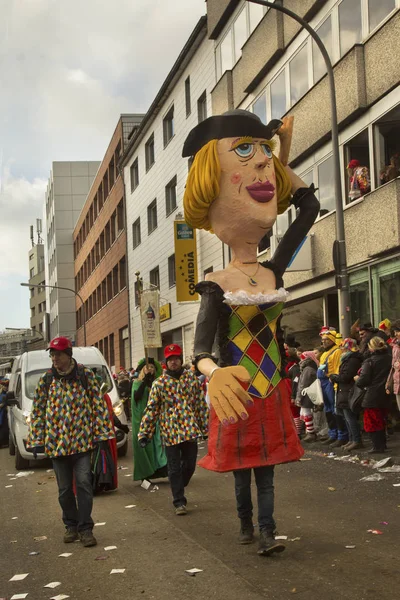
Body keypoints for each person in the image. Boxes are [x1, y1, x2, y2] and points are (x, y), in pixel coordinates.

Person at [183, 110, 320, 555]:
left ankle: (266, 531)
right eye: (245, 151)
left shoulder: (273, 269)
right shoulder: (216, 283)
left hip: (272, 388)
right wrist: (212, 372)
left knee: (267, 472)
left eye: (259, 152)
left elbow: (309, 208)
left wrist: (276, 160)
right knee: (243, 472)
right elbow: (199, 348)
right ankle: (247, 523)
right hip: (238, 392)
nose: (258, 162)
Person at [26, 337, 115, 547]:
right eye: (52, 354)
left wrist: (102, 435)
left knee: (84, 484)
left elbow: (98, 406)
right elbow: (37, 411)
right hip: (57, 446)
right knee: (64, 490)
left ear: (68, 355)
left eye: (58, 354)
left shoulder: (85, 375)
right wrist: (37, 439)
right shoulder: (47, 380)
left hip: (82, 444)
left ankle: (86, 528)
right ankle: (71, 525)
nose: (54, 358)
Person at [138, 344, 208, 515]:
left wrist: (205, 428)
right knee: (174, 468)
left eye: (176, 358)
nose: (174, 362)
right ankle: (179, 501)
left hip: (189, 431)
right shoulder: (159, 383)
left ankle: (179, 484)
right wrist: (144, 433)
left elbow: (200, 405)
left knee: (190, 465)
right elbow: (152, 409)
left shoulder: (191, 379)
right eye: (170, 360)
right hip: (169, 433)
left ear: (180, 360)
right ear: (166, 363)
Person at [131, 357, 168, 483]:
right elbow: (136, 397)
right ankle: (145, 475)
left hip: (156, 418)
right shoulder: (137, 383)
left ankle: (161, 469)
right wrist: (144, 383)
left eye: (152, 367)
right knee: (145, 448)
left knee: (158, 444)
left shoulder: (157, 383)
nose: (150, 369)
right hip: (142, 419)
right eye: (148, 367)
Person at [355, 336, 392, 453]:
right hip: (386, 393)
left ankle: (377, 446)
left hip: (372, 395)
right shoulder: (389, 358)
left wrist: (357, 379)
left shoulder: (370, 361)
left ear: (371, 348)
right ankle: (382, 444)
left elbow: (363, 380)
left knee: (371, 421)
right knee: (382, 419)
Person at [329, 339, 363, 451]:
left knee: (350, 417)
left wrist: (334, 377)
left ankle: (356, 440)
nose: (341, 349)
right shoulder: (348, 359)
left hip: (348, 391)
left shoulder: (352, 360)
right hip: (344, 391)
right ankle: (352, 439)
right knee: (347, 417)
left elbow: (345, 377)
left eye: (343, 347)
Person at [318, 331, 348, 446]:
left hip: (330, 383)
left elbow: (336, 368)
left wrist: (333, 380)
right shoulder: (325, 352)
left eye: (326, 339)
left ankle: (342, 435)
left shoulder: (336, 351)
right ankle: (333, 434)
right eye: (323, 339)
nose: (324, 341)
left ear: (332, 340)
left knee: (336, 410)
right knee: (328, 410)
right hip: (323, 383)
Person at [296, 351, 319, 443]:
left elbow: (303, 384)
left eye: (302, 357)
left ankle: (311, 433)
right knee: (305, 413)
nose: (301, 359)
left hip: (307, 394)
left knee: (306, 413)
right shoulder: (309, 368)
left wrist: (299, 397)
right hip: (308, 393)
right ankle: (309, 432)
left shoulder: (307, 369)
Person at [386, 320, 400, 412]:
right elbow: (392, 367)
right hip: (397, 382)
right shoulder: (395, 345)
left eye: (397, 331)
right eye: (395, 331)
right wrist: (389, 383)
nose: (396, 334)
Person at [0, 378, 9, 448]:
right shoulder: (3, 395)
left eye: (6, 385)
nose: (5, 387)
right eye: (4, 385)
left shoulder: (5, 394)